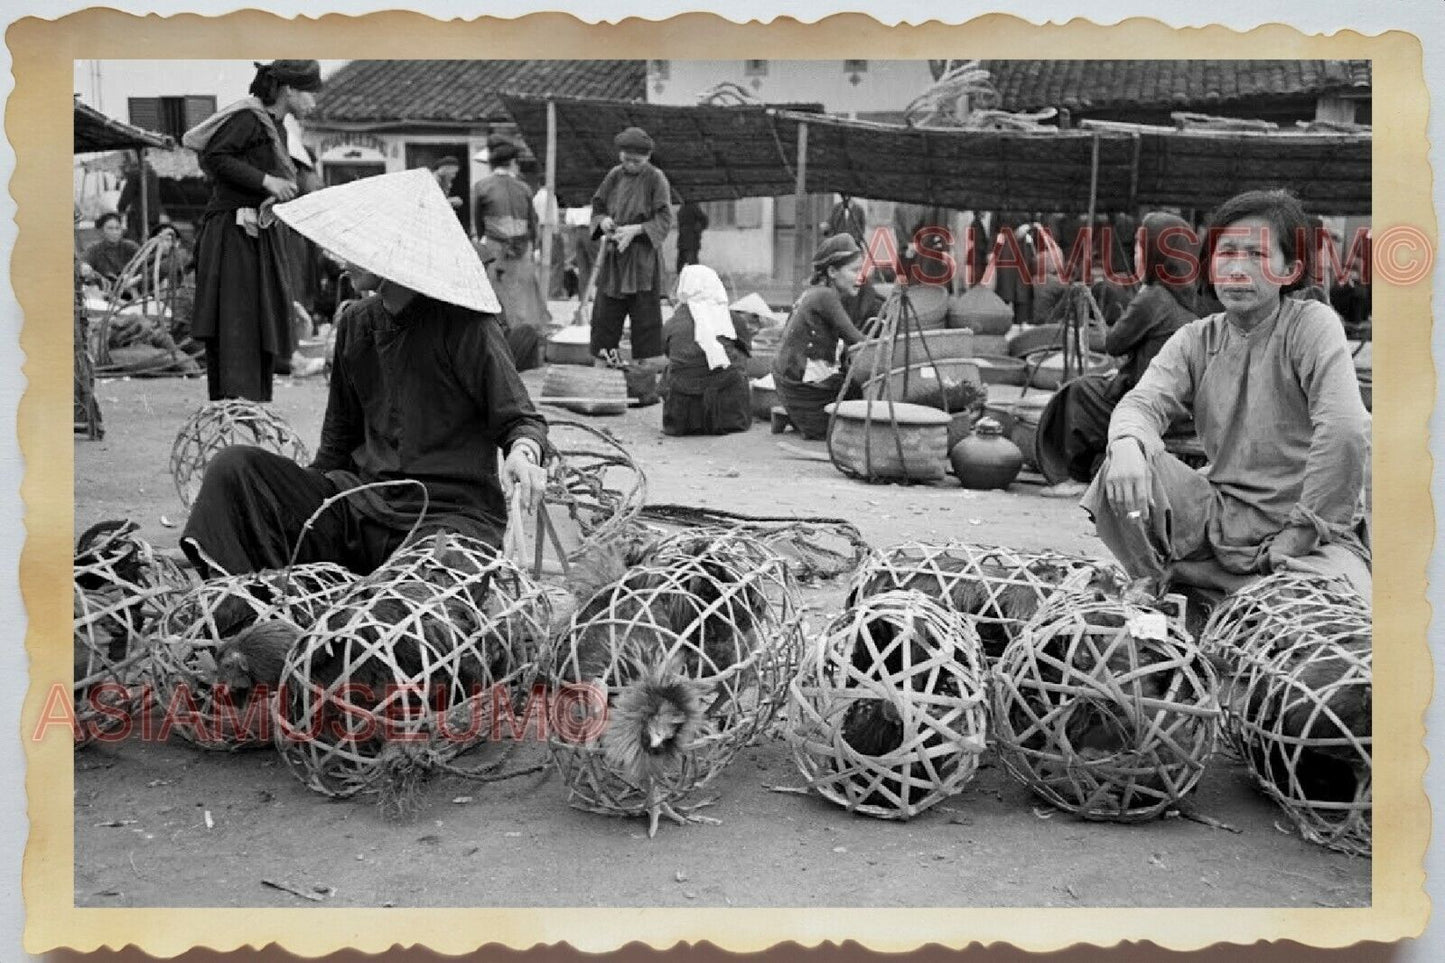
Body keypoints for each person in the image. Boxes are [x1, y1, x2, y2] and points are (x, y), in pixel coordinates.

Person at [180, 167, 550, 578]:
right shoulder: (357, 324)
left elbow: (520, 419)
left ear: (395, 252)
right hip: (362, 505)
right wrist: (290, 509)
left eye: (357, 247)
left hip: (447, 519)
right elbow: (336, 448)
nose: (338, 258)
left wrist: (522, 453)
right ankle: (243, 612)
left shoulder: (468, 327)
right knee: (236, 468)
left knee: (414, 596)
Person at [1081, 189, 1371, 601]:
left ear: (1290, 270)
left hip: (1309, 533)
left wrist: (1300, 533)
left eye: (1255, 255)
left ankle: (1205, 578)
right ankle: (1164, 577)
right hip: (1222, 517)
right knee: (1119, 468)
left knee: (1331, 612)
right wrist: (1127, 443)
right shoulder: (1196, 338)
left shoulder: (1311, 324)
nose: (1237, 268)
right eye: (1226, 253)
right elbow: (1142, 403)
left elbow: (1345, 430)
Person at [183, 59, 322, 403]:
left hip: (257, 233)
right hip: (232, 234)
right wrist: (266, 181)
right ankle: (234, 402)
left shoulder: (278, 129)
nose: (314, 103)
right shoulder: (249, 118)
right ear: (289, 90)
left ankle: (253, 403)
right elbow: (215, 157)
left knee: (258, 315)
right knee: (236, 317)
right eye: (310, 94)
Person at [1035, 212, 1199, 496]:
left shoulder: (1153, 296)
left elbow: (1114, 343)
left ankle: (1075, 476)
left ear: (1155, 253)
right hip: (1175, 400)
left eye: (1139, 247)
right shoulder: (1183, 294)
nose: (1135, 254)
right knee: (1096, 385)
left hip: (1150, 400)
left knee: (1078, 393)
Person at [588, 126, 674, 378]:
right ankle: (603, 361)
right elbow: (598, 206)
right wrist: (603, 222)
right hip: (615, 257)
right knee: (605, 313)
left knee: (645, 314)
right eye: (626, 160)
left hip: (642, 257)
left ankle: (643, 369)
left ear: (647, 159)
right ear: (620, 156)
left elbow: (665, 217)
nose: (631, 165)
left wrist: (636, 230)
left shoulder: (656, 178)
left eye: (636, 161)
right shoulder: (614, 175)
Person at [771, 234, 871, 440]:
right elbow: (858, 341)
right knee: (861, 394)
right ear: (832, 271)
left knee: (851, 383)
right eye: (854, 270)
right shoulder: (825, 297)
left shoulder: (813, 293)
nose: (860, 277)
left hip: (790, 384)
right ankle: (809, 420)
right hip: (803, 389)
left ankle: (797, 416)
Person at [659, 264, 752, 436]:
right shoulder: (732, 319)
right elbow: (746, 351)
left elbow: (667, 351)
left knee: (671, 369)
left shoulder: (673, 323)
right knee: (737, 362)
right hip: (727, 410)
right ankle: (727, 416)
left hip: (682, 413)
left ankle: (686, 419)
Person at [473, 135, 551, 331]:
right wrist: (535, 247)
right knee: (522, 294)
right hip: (522, 248)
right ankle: (524, 334)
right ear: (513, 163)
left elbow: (478, 222)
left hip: (494, 247)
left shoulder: (481, 187)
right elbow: (533, 223)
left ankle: (500, 331)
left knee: (497, 292)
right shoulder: (524, 187)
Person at [80, 212, 141, 291]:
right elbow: (82, 262)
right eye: (110, 228)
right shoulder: (95, 250)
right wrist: (84, 267)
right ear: (101, 231)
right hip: (107, 293)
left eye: (117, 228)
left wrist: (135, 278)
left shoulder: (131, 247)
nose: (114, 232)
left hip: (132, 290)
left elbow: (145, 265)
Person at [117, 160, 163, 242]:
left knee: (135, 242)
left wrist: (121, 208)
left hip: (139, 214)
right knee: (151, 239)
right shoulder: (153, 174)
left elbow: (127, 195)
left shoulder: (135, 174)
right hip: (154, 214)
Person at [675, 199, 709, 275]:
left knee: (692, 266)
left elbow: (704, 221)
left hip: (691, 242)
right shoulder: (684, 206)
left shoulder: (693, 206)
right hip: (683, 241)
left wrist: (697, 229)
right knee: (681, 266)